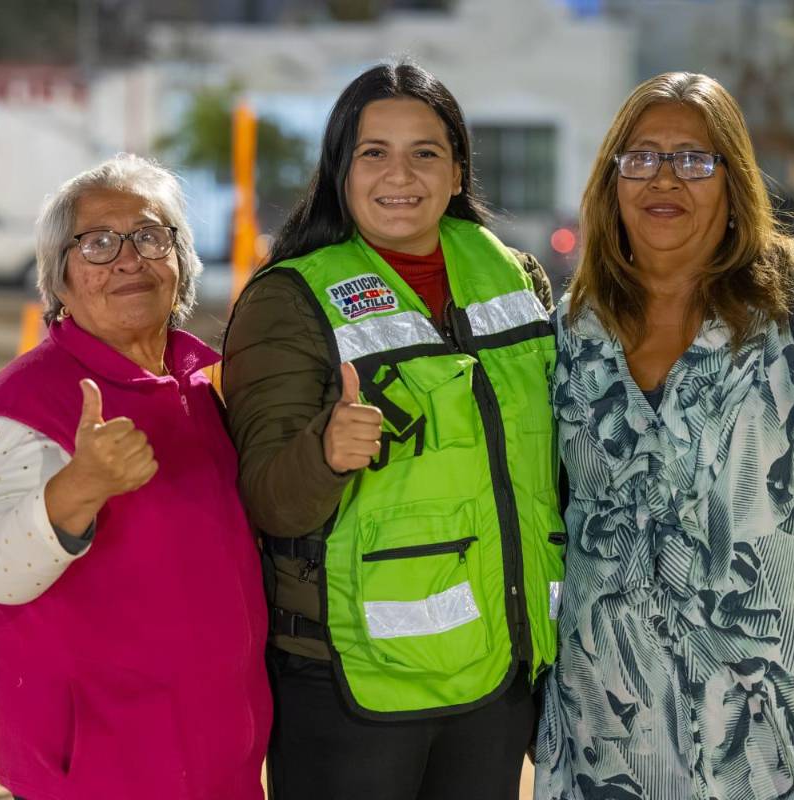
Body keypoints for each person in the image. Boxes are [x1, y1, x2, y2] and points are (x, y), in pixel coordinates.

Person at [535, 72, 794, 800]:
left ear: (733, 181)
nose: (665, 179)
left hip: (777, 721)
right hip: (610, 724)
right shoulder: (571, 326)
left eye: (694, 159)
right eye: (642, 157)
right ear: (611, 178)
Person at [222, 62, 565, 800]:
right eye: (373, 152)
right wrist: (323, 454)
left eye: (425, 152)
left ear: (458, 167)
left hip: (498, 671)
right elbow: (266, 501)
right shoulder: (288, 300)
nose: (399, 175)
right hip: (352, 684)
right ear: (340, 167)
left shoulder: (519, 281)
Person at [0, 154, 271, 799]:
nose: (129, 260)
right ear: (61, 280)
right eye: (98, 244)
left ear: (181, 261)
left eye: (151, 236)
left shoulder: (207, 381)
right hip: (99, 765)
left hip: (216, 753)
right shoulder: (26, 400)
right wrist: (82, 485)